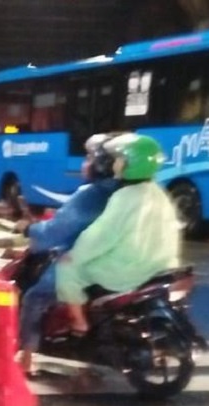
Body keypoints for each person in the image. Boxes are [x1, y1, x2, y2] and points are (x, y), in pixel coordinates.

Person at [14, 133, 121, 374]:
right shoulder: (128, 192)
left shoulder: (92, 194)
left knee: (34, 297)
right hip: (123, 260)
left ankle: (26, 357)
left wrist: (31, 230)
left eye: (89, 158)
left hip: (88, 261)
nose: (85, 163)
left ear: (102, 163)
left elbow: (57, 230)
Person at [56, 133, 181, 333]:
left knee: (66, 269)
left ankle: (79, 323)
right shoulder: (158, 192)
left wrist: (74, 255)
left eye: (119, 159)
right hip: (161, 265)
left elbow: (100, 236)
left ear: (130, 163)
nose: (115, 163)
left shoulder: (125, 196)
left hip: (129, 270)